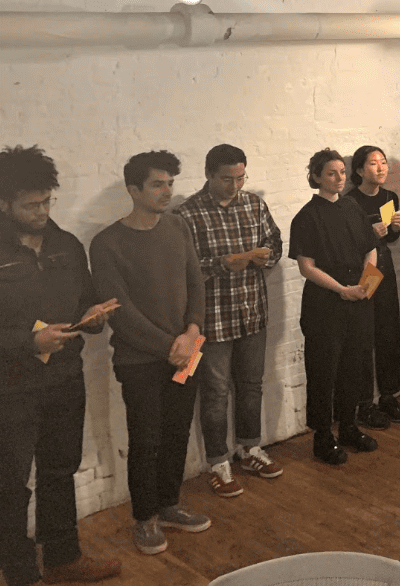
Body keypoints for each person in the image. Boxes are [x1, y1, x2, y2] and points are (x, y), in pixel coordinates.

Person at [0, 146, 122, 586]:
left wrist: (95, 315)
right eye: (30, 204)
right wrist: (28, 341)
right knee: (10, 486)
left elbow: (83, 297)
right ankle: (19, 573)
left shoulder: (66, 245)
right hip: (10, 388)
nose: (41, 211)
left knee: (58, 471)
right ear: (4, 203)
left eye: (46, 201)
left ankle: (63, 558)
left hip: (64, 380)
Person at [90, 151, 210, 555]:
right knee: (146, 438)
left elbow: (197, 284)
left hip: (186, 349)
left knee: (177, 433)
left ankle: (169, 504)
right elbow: (118, 311)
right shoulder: (107, 243)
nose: (168, 191)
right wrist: (170, 346)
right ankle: (145, 517)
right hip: (140, 360)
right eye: (158, 184)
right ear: (133, 189)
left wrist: (191, 332)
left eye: (171, 183)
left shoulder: (178, 227)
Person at [175, 144, 284, 499]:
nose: (235, 185)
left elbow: (275, 242)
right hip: (212, 319)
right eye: (227, 178)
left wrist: (264, 257)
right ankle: (218, 461)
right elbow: (182, 271)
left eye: (241, 177)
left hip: (252, 311)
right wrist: (222, 264)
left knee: (252, 384)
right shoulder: (187, 214)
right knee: (215, 393)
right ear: (209, 174)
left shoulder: (253, 204)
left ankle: (250, 448)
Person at [288, 149, 379, 465]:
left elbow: (370, 249)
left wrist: (366, 286)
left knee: (355, 366)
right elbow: (306, 266)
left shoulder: (353, 207)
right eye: (331, 173)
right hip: (325, 306)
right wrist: (341, 290)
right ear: (315, 176)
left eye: (342, 172)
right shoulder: (306, 217)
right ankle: (323, 437)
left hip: (358, 298)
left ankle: (350, 427)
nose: (339, 178)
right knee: (324, 371)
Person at [345, 145, 400, 428]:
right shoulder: (350, 202)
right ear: (359, 170)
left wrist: (395, 227)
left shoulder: (388, 197)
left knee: (388, 330)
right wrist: (369, 234)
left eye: (384, 163)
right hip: (364, 270)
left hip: (384, 265)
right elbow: (346, 246)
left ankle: (388, 394)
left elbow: (391, 240)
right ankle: (364, 402)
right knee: (364, 335)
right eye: (374, 164)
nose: (381, 168)